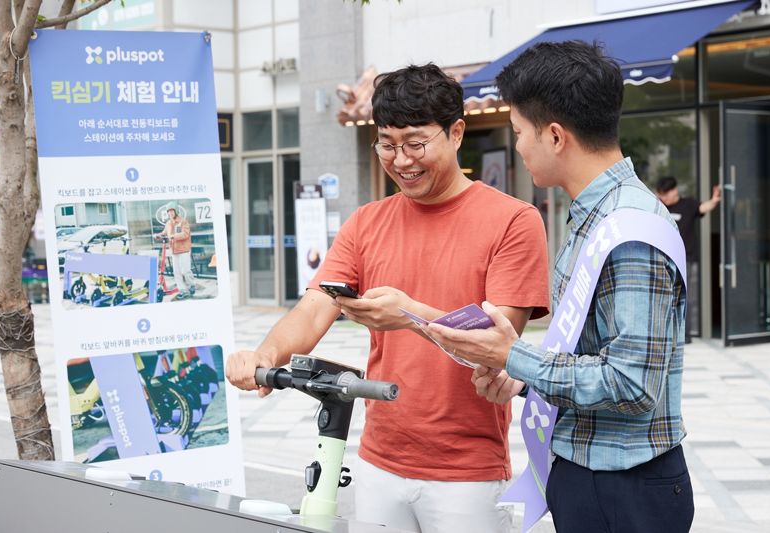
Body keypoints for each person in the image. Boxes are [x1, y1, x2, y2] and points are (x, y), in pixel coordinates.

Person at [227, 63, 550, 533]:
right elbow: (317, 304)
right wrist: (264, 355)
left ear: (456, 133)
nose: (401, 160)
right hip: (378, 457)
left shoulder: (513, 221)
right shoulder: (366, 222)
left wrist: (409, 314)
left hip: (466, 469)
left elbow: (499, 341)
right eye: (387, 144)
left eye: (416, 143)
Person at [425, 42, 694, 533]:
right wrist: (523, 378)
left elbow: (632, 385)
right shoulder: (594, 215)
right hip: (588, 474)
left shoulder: (630, 229)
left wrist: (516, 356)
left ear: (554, 136)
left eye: (519, 133)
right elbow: (590, 354)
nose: (518, 147)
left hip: (626, 488)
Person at [656, 176, 721, 343]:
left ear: (675, 190)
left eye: (666, 194)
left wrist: (714, 200)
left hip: (687, 259)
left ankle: (685, 334)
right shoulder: (658, 207)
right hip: (664, 258)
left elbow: (703, 207)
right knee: (664, 295)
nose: (664, 198)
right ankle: (666, 333)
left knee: (687, 296)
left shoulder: (689, 204)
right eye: (661, 194)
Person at [154, 201, 196, 300]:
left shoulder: (183, 221)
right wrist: (159, 235)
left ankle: (191, 285)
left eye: (172, 211)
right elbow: (165, 232)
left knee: (186, 271)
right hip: (174, 250)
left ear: (176, 211)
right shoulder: (168, 223)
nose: (170, 213)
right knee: (176, 272)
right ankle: (183, 290)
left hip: (184, 250)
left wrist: (173, 236)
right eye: (168, 212)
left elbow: (185, 234)